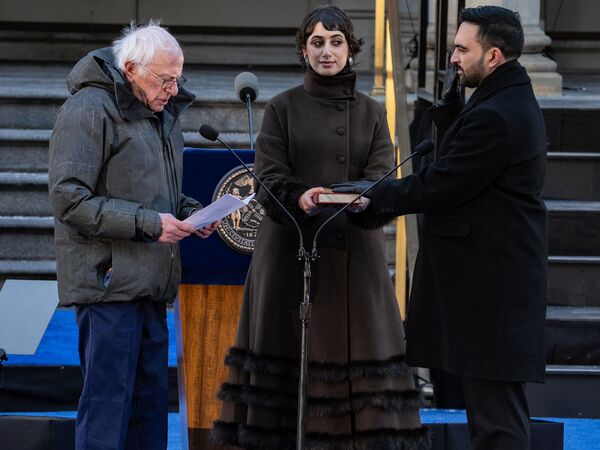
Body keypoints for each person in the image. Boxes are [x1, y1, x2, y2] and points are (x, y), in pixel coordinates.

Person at [211, 5, 430, 449]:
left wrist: (367, 198)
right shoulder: (281, 108)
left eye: (335, 42)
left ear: (351, 49)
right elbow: (268, 178)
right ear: (303, 49)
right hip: (289, 254)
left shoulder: (371, 111)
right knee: (284, 366)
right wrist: (300, 197)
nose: (326, 51)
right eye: (317, 42)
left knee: (359, 363)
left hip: (354, 259)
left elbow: (383, 175)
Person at [334, 6, 547, 450]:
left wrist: (374, 195)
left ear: (492, 57)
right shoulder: (498, 101)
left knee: (497, 421)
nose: (452, 57)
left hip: (492, 291)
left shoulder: (497, 114)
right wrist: (451, 113)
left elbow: (442, 183)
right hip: (490, 287)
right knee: (492, 413)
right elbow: (457, 172)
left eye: (461, 49)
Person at [48, 22, 219, 450]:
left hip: (151, 284)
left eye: (178, 77)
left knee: (149, 414)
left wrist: (192, 214)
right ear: (130, 69)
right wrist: (150, 224)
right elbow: (70, 201)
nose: (174, 89)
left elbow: (154, 190)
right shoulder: (88, 110)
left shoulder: (159, 113)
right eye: (165, 79)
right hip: (108, 285)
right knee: (107, 411)